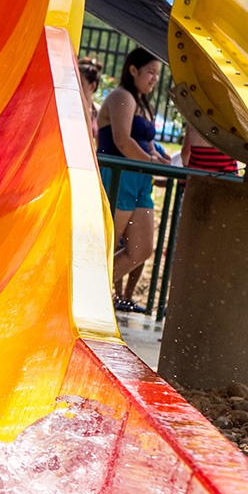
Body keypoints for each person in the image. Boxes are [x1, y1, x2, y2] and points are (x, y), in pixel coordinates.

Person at [95, 48, 170, 312]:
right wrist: (150, 162)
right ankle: (91, 291)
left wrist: (159, 159)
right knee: (108, 242)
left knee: (141, 249)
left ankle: (95, 290)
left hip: (140, 180)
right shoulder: (121, 97)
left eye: (158, 74)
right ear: (133, 70)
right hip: (119, 176)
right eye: (150, 72)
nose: (154, 79)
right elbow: (122, 140)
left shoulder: (143, 104)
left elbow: (147, 144)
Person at [78, 55, 103, 142]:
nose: (77, 86)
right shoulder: (70, 108)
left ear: (92, 86)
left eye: (81, 83)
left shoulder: (98, 111)